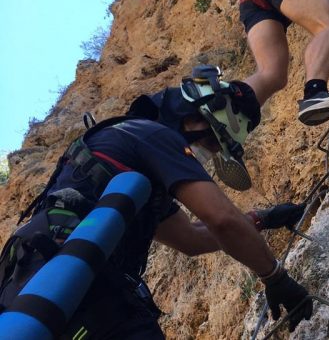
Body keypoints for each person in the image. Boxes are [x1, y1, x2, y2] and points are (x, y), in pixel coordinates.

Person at [0, 66, 312, 338]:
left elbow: (191, 238)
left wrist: (262, 219)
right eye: (210, 143)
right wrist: (275, 276)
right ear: (195, 118)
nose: (207, 155)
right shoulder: (154, 137)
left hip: (34, 288)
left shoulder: (127, 161)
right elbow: (222, 220)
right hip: (89, 292)